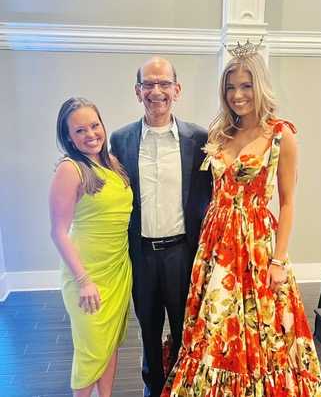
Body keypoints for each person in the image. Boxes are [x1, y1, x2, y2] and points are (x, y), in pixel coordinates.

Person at [161, 42, 321, 396]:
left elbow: (288, 203)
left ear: (261, 85)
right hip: (216, 243)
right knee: (212, 327)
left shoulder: (281, 135)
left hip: (255, 243)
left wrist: (279, 261)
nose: (238, 95)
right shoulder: (221, 132)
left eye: (246, 85)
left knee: (261, 329)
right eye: (231, 87)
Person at [110, 57, 212, 397]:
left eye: (164, 83)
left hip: (182, 254)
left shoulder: (198, 139)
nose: (157, 91)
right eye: (149, 84)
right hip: (141, 256)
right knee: (148, 332)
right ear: (138, 91)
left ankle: (185, 389)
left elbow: (213, 194)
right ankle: (152, 389)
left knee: (187, 331)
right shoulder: (121, 140)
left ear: (177, 90)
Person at [49, 97, 133, 397]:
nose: (91, 134)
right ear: (68, 137)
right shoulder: (70, 169)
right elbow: (58, 232)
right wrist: (84, 280)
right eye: (80, 130)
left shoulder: (113, 163)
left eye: (94, 125)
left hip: (118, 269)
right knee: (90, 350)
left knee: (109, 343)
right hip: (88, 275)